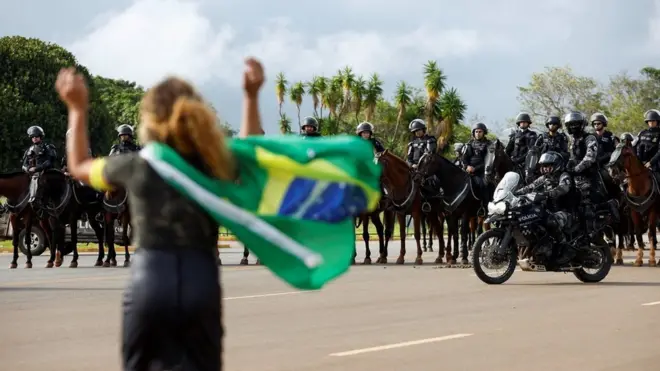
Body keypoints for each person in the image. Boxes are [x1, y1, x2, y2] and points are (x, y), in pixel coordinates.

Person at [56, 57, 266, 371]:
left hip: (150, 279)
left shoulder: (137, 165)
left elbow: (78, 167)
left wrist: (77, 109)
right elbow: (251, 152)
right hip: (201, 278)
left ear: (150, 119)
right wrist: (250, 97)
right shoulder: (214, 163)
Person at [564, 111, 617, 238]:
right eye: (570, 125)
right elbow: (571, 157)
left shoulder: (590, 138)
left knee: (591, 203)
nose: (573, 127)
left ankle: (612, 205)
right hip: (574, 177)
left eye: (575, 124)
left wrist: (577, 169)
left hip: (590, 175)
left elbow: (590, 158)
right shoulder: (572, 140)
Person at [513, 151, 574, 262]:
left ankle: (565, 248)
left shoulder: (564, 175)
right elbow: (530, 187)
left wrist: (547, 193)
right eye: (543, 166)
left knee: (551, 221)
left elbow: (564, 188)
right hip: (549, 210)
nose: (545, 169)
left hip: (566, 211)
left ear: (556, 165)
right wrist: (514, 193)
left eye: (548, 166)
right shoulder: (544, 178)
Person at [406, 119, 442, 198]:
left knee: (434, 182)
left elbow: (429, 155)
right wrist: (412, 165)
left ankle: (435, 198)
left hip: (427, 169)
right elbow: (408, 159)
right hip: (414, 169)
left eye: (419, 130)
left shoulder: (430, 140)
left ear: (423, 129)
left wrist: (419, 166)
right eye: (415, 131)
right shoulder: (412, 143)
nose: (417, 132)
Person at [461, 122, 492, 212]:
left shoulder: (489, 144)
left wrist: (475, 168)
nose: (478, 134)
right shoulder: (469, 144)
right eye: (476, 132)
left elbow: (489, 161)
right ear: (473, 133)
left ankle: (484, 206)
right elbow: (464, 158)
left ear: (484, 133)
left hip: (482, 171)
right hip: (468, 170)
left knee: (484, 185)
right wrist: (467, 166)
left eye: (480, 132)